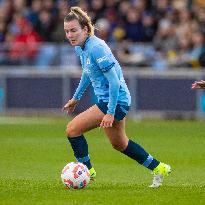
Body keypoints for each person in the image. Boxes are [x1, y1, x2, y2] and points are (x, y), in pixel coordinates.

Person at [62, 6, 171, 188]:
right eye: (67, 31)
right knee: (120, 144)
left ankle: (87, 171)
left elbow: (114, 82)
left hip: (115, 101)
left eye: (73, 30)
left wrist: (110, 112)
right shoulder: (81, 48)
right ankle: (159, 167)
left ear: (86, 30)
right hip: (112, 101)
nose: (70, 35)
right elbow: (87, 73)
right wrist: (76, 97)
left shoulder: (97, 48)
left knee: (72, 130)